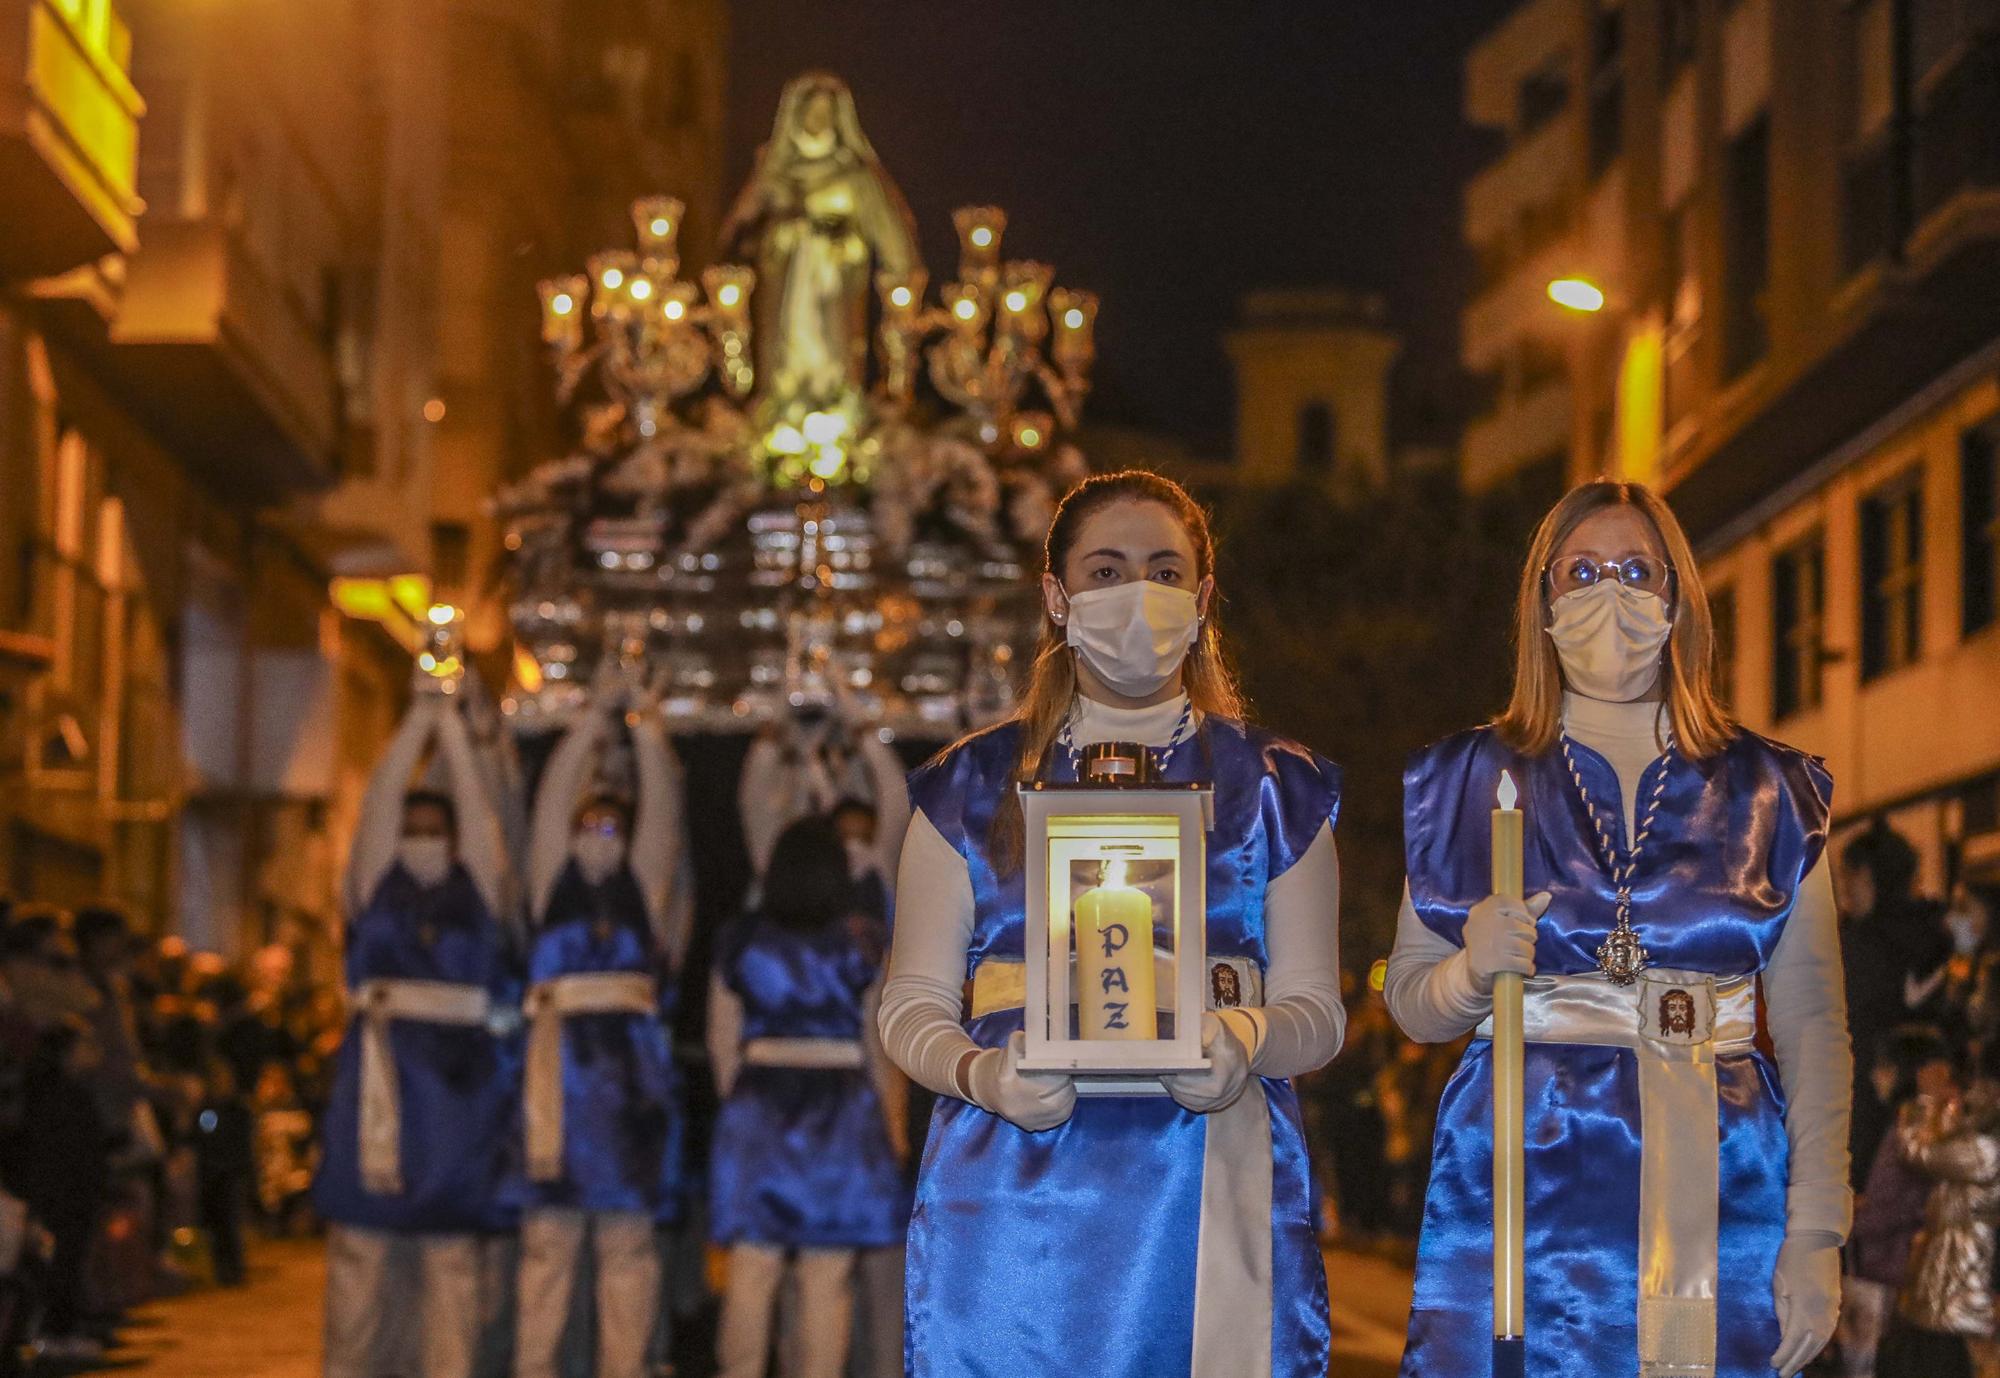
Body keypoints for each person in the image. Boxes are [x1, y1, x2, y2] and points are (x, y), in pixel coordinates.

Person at [879, 469, 1345, 1378]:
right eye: (1107, 570)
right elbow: (909, 1005)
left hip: (1211, 1176)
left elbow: (1318, 1011)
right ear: (1056, 596)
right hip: (1015, 1187)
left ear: (1204, 598)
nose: (1139, 593)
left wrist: (1246, 1037)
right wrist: (981, 1075)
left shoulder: (1281, 788)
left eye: (1166, 572)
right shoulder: (968, 786)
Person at [1384, 479, 1851, 1378]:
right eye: (1584, 570)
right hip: (1524, 1166)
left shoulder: (1773, 792)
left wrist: (1819, 1227)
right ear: (1544, 600)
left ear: (1677, 599)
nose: (1613, 593)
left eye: (1639, 570)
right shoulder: (1463, 779)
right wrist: (1467, 975)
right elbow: (1413, 1004)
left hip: (1725, 1183)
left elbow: (1812, 1024)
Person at [315, 687, 520, 1378]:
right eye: (414, 829)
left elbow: (483, 821)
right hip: (381, 1082)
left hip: (460, 1090)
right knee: (361, 1251)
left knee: (452, 1257)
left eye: (437, 830)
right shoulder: (374, 886)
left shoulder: (484, 892)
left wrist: (455, 733)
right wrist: (417, 720)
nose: (422, 840)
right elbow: (376, 811)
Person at [512, 688, 688, 1378]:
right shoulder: (545, 889)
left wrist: (645, 725)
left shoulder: (648, 893)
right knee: (546, 1258)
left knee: (629, 1257)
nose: (598, 837)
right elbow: (552, 809)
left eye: (613, 828)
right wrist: (589, 723)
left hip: (628, 1100)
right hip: (551, 1095)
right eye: (589, 827)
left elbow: (664, 827)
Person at [706, 816, 909, 1378]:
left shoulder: (740, 937)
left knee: (751, 1268)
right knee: (828, 1274)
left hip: (759, 1106)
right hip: (841, 1110)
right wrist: (892, 1130)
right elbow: (879, 1044)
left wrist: (741, 1102)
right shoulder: (863, 941)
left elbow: (721, 1039)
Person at [1875, 1044, 2000, 1378]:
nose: (1973, 1089)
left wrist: (1929, 1098)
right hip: (1945, 1290)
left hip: (1959, 1297)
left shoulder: (1989, 1147)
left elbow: (1921, 1152)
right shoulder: (1982, 1132)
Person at [1842, 1030, 1955, 1378]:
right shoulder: (1922, 1127)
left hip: (1885, 1268)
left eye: (1884, 1066)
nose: (1876, 1075)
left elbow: (1890, 1206)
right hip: (1896, 1266)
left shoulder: (1912, 1131)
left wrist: (1845, 1221)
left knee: (1869, 1366)